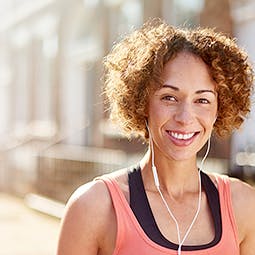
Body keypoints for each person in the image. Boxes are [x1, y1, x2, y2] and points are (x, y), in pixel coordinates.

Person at [57, 18, 255, 255]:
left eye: (202, 100)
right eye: (169, 97)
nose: (185, 117)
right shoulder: (94, 206)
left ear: (219, 109)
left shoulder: (243, 205)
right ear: (142, 103)